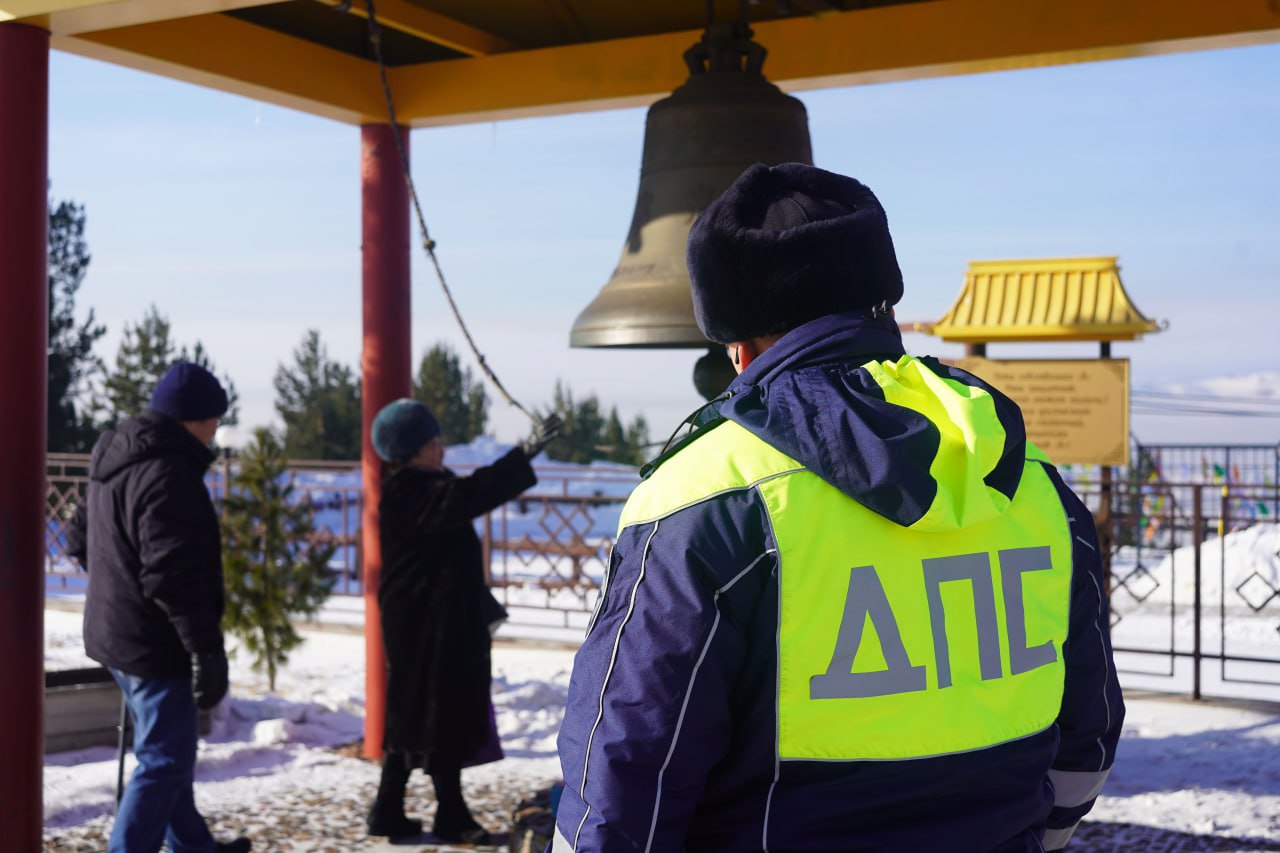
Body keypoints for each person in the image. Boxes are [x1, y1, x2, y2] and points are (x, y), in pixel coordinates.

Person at [551, 163, 1124, 852]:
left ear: (738, 346)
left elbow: (627, 769)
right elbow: (1087, 737)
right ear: (882, 305)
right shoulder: (1028, 477)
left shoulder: (706, 495)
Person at [68, 361, 250, 853]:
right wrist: (205, 649)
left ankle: (194, 846)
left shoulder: (117, 453)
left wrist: (118, 588)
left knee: (169, 752)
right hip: (153, 644)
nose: (216, 429)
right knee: (164, 759)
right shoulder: (169, 474)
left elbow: (78, 537)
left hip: (117, 633)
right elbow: (175, 577)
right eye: (213, 418)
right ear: (192, 419)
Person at [365, 399, 561, 843]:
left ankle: (388, 811)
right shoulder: (412, 491)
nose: (441, 446)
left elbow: (457, 524)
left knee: (414, 714)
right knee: (437, 714)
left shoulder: (422, 487)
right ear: (414, 449)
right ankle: (449, 815)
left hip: (429, 619)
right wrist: (523, 454)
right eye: (433, 440)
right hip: (426, 624)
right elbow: (471, 495)